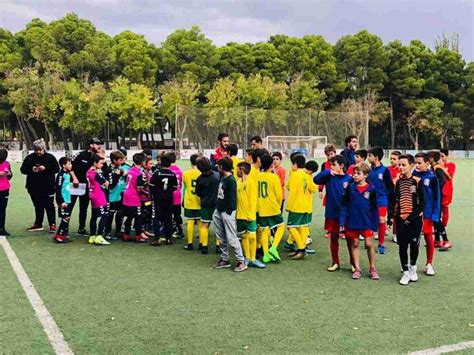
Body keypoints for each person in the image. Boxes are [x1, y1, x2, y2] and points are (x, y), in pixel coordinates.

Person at [314, 155, 354, 272]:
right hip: (332, 213)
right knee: (334, 239)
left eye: (334, 164)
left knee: (349, 239)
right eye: (331, 165)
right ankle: (335, 262)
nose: (332, 167)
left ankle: (353, 262)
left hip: (346, 214)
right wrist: (327, 172)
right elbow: (315, 180)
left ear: (341, 166)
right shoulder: (329, 177)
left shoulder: (349, 178)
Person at [340, 163, 379, 280]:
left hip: (366, 221)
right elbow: (344, 205)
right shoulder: (350, 188)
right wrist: (342, 221)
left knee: (368, 244)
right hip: (352, 221)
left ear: (366, 175)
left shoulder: (371, 189)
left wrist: (375, 224)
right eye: (354, 173)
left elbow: (374, 208)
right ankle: (357, 268)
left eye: (358, 173)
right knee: (355, 243)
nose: (355, 176)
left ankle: (372, 268)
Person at [392, 154, 425, 286]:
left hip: (415, 220)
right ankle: (405, 271)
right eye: (399, 165)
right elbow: (393, 200)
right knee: (402, 246)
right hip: (400, 219)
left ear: (411, 165)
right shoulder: (396, 182)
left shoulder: (418, 181)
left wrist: (411, 218)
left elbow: (422, 203)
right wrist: (391, 217)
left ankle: (413, 268)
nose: (400, 167)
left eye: (403, 165)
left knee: (414, 245)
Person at [213, 157, 247, 272]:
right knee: (221, 237)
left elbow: (232, 199)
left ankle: (241, 261)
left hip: (227, 212)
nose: (217, 168)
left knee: (232, 237)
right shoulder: (223, 178)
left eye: (218, 166)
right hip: (219, 210)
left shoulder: (231, 180)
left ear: (222, 167)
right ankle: (225, 259)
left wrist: (227, 213)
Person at [20, 138, 59, 232]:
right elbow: (23, 170)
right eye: (36, 150)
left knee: (49, 205)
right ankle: (38, 223)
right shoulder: (29, 158)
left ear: (43, 149)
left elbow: (57, 169)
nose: (38, 152)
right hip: (33, 186)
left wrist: (45, 168)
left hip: (48, 186)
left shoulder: (50, 157)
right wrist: (31, 169)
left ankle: (52, 224)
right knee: (38, 205)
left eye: (40, 150)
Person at [70, 137, 103, 235]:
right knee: (70, 206)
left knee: (83, 207)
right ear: (91, 145)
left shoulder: (96, 157)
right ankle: (64, 228)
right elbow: (70, 167)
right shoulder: (80, 155)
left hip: (88, 186)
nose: (99, 146)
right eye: (97, 144)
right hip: (77, 185)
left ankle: (81, 228)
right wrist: (74, 178)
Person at [286, 155, 317, 260]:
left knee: (291, 227)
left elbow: (289, 187)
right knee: (303, 226)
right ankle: (301, 249)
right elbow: (313, 188)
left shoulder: (294, 174)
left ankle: (301, 248)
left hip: (296, 206)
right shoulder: (307, 176)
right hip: (306, 206)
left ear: (295, 164)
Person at [413, 153, 439, 276]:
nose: (417, 165)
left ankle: (429, 264)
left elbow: (436, 197)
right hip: (414, 213)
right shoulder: (412, 175)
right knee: (414, 239)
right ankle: (412, 263)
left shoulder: (432, 178)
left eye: (419, 163)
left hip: (427, 213)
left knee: (428, 237)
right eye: (415, 163)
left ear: (427, 164)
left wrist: (435, 214)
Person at [257, 154, 285, 263]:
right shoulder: (274, 177)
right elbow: (278, 195)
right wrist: (278, 206)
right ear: (271, 164)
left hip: (261, 207)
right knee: (281, 226)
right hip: (272, 206)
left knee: (265, 229)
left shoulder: (258, 176)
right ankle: (273, 248)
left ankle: (265, 255)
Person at [236, 162, 264, 268]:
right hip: (239, 216)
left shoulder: (251, 183)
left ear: (241, 170)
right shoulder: (238, 182)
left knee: (252, 236)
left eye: (237, 169)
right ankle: (247, 258)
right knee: (243, 236)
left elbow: (253, 201)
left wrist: (250, 215)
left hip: (249, 216)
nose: (236, 171)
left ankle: (253, 258)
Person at [367, 146, 394, 255]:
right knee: (370, 220)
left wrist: (389, 198)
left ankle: (381, 244)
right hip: (369, 199)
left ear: (376, 157)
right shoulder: (368, 170)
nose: (368, 158)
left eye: (370, 156)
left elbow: (390, 186)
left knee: (382, 220)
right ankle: (368, 242)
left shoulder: (385, 170)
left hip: (382, 199)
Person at [149, 153, 178, 246]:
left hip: (158, 198)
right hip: (169, 199)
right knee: (168, 218)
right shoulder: (172, 174)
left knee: (156, 218)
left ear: (160, 164)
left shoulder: (156, 173)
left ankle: (157, 239)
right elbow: (175, 187)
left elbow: (151, 185)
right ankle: (168, 238)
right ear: (170, 164)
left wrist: (155, 193)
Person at [196, 156, 220, 254]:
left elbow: (198, 193)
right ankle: (218, 246)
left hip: (205, 204)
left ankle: (204, 247)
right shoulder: (217, 176)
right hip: (217, 204)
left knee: (204, 225)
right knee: (218, 226)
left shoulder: (199, 178)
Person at [428, 151, 452, 251]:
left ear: (432, 158)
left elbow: (442, 180)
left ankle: (446, 241)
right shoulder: (434, 167)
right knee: (435, 218)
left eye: (428, 157)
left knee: (437, 218)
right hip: (436, 196)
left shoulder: (437, 168)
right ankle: (437, 241)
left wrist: (435, 189)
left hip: (437, 197)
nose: (427, 159)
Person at [122, 153, 147, 243]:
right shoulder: (139, 173)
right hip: (134, 197)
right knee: (138, 218)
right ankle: (138, 236)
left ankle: (126, 235)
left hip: (126, 195)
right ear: (143, 162)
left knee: (129, 217)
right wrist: (147, 193)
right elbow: (139, 189)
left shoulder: (130, 169)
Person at [86, 154, 110, 245]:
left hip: (92, 195)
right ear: (95, 163)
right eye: (101, 163)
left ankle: (92, 236)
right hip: (98, 195)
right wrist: (105, 182)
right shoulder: (95, 173)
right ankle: (99, 236)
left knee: (94, 216)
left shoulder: (89, 171)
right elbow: (104, 182)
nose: (102, 165)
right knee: (104, 215)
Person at [106, 150, 127, 240]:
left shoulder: (120, 168)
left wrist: (124, 174)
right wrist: (117, 175)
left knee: (120, 213)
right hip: (111, 197)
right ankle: (107, 232)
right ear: (114, 160)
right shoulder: (109, 170)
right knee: (110, 215)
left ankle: (118, 231)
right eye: (120, 160)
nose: (122, 161)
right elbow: (111, 184)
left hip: (119, 195)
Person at [183, 154, 202, 251]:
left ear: (190, 162)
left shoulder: (186, 173)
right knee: (200, 222)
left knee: (190, 221)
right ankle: (202, 243)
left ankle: (190, 243)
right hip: (199, 201)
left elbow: (185, 185)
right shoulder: (202, 173)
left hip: (189, 200)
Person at [318, 144, 337, 239]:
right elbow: (322, 178)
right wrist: (320, 190)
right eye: (328, 155)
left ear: (335, 153)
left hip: (338, 190)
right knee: (329, 211)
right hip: (329, 191)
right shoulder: (324, 165)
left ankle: (341, 229)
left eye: (332, 154)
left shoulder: (340, 163)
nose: (330, 156)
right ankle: (330, 230)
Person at [54, 157, 73, 243]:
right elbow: (58, 189)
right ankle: (59, 235)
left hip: (67, 199)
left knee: (67, 217)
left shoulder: (68, 174)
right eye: (69, 164)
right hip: (63, 201)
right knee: (65, 217)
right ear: (63, 165)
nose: (71, 165)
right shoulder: (61, 175)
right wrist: (61, 201)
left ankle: (63, 235)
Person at [303, 160, 319, 249]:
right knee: (306, 222)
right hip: (306, 204)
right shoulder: (308, 177)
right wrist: (316, 185)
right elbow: (313, 189)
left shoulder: (298, 173)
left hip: (299, 203)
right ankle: (305, 237)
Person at [137, 155, 154, 237]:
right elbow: (141, 188)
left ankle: (145, 230)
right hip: (143, 198)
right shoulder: (142, 174)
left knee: (147, 214)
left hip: (149, 198)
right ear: (145, 164)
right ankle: (141, 231)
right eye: (150, 164)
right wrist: (147, 193)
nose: (152, 165)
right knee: (143, 215)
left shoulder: (149, 173)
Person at [168, 152, 184, 238]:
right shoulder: (179, 170)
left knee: (169, 213)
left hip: (170, 194)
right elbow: (181, 182)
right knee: (177, 213)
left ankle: (170, 230)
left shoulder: (168, 170)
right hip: (178, 193)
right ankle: (180, 230)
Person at [440, 148, 456, 230]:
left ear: (446, 156)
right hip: (439, 189)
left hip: (447, 189)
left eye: (442, 156)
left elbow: (450, 176)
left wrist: (442, 167)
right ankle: (436, 226)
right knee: (437, 208)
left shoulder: (451, 165)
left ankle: (443, 226)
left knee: (445, 208)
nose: (441, 158)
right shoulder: (437, 165)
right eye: (440, 156)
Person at [0, 148, 12, 237]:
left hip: (4, 189)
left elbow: (10, 176)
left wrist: (9, 174)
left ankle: (2, 228)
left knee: (2, 210)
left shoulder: (7, 164)